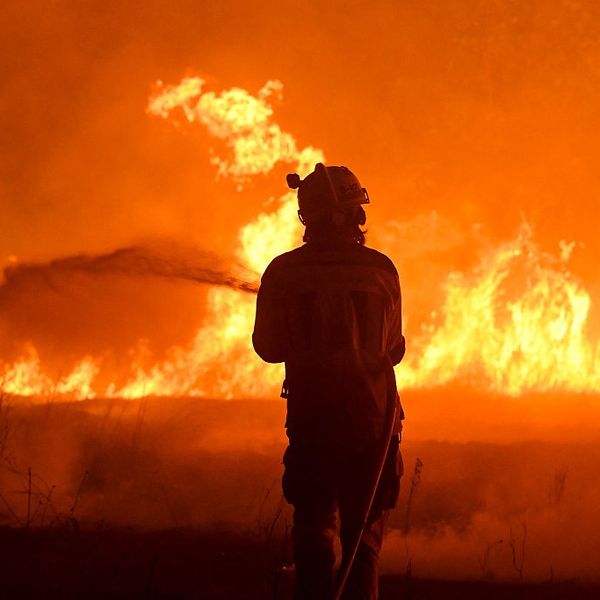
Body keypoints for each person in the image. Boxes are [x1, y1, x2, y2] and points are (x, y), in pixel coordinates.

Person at [252, 163, 405, 599]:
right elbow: (394, 349)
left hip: (312, 423)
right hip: (371, 428)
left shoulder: (282, 273)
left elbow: (269, 348)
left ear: (309, 216)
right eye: (357, 211)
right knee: (363, 549)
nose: (361, 221)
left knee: (314, 542)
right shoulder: (381, 270)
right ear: (345, 216)